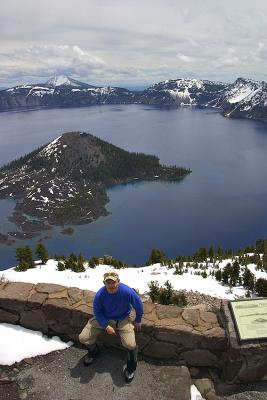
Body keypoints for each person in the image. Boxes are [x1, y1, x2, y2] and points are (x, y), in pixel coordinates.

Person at [79, 270, 144, 383]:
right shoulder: (100, 294)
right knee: (83, 338)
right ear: (104, 283)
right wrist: (106, 325)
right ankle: (94, 351)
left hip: (123, 319)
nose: (111, 285)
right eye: (108, 283)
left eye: (113, 282)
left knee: (130, 344)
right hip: (104, 318)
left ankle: (130, 368)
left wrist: (138, 320)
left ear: (118, 282)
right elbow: (97, 312)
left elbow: (138, 305)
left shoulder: (127, 291)